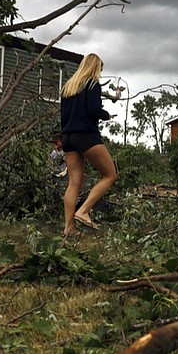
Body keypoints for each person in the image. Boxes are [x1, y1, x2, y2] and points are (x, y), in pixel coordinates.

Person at [60, 53, 117, 237]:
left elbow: (65, 116)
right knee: (109, 175)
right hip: (85, 135)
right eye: (100, 69)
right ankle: (83, 211)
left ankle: (69, 228)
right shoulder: (92, 83)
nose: (100, 72)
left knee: (73, 183)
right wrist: (106, 115)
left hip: (68, 137)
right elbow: (93, 110)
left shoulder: (68, 87)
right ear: (95, 67)